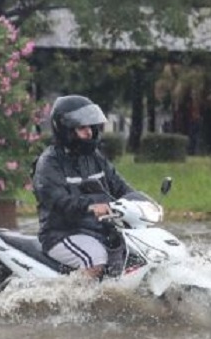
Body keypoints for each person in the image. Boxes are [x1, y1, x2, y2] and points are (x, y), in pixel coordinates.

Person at [32, 95, 136, 279]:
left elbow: (120, 186)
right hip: (62, 234)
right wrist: (90, 207)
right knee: (95, 260)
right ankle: (73, 302)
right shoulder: (49, 163)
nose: (89, 132)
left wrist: (139, 201)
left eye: (90, 127)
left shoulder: (94, 158)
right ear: (66, 130)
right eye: (82, 128)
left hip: (99, 231)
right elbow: (59, 201)